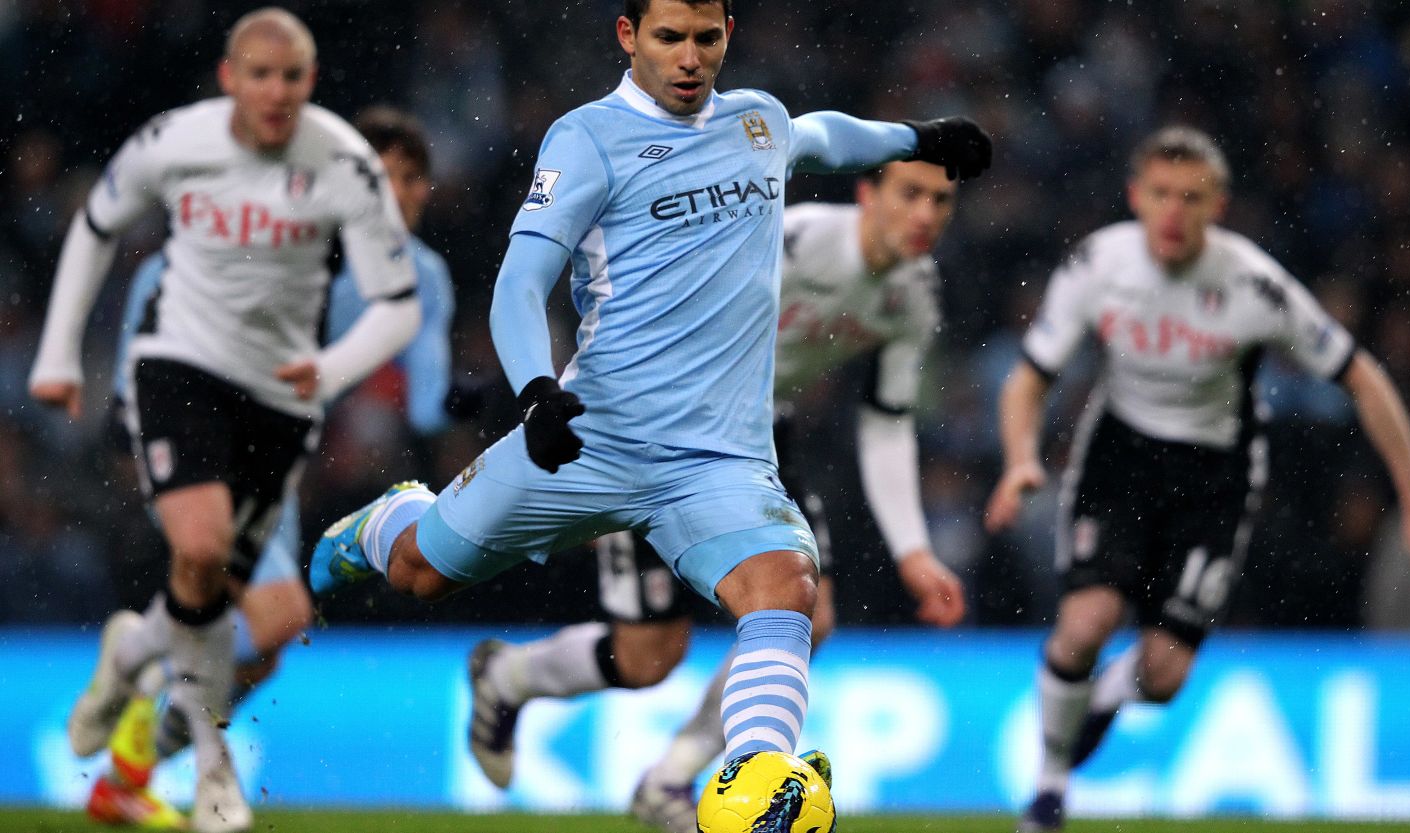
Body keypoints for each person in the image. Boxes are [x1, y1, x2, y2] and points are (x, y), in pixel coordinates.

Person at [309, 0, 989, 824]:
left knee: (787, 588)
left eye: (707, 39)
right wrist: (535, 390)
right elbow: (521, 281)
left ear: (728, 35)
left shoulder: (757, 123)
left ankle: (754, 781)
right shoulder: (586, 138)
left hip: (720, 462)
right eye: (670, 38)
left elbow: (820, 135)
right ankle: (389, 520)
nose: (690, 58)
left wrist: (916, 138)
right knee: (423, 571)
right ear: (629, 36)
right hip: (591, 438)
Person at [981, 126, 1410, 833]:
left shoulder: (1253, 284)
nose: (1174, 212)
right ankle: (1049, 790)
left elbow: (1363, 375)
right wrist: (1022, 455)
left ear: (1218, 204)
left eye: (1192, 196)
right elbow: (1030, 376)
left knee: (1165, 674)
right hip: (1120, 459)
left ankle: (1115, 687)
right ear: (1135, 197)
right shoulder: (1099, 264)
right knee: (1084, 623)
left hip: (1215, 476)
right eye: (1160, 194)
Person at [459, 160, 970, 831]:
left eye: (942, 199)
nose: (926, 214)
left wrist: (913, 550)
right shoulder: (796, 240)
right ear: (867, 195)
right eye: (911, 195)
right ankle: (512, 677)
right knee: (650, 656)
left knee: (808, 616)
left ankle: (670, 779)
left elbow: (886, 423)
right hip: (661, 423)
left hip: (759, 435)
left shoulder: (916, 290)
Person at [28, 10, 421, 832]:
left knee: (242, 613)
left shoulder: (341, 166)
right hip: (179, 373)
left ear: (311, 81)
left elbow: (399, 310)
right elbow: (98, 225)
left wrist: (333, 372)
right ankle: (210, 774)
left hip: (278, 405)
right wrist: (61, 353)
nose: (276, 92)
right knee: (211, 559)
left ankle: (133, 661)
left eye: (292, 77)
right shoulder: (176, 141)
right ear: (228, 76)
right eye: (261, 74)